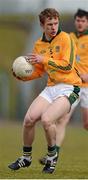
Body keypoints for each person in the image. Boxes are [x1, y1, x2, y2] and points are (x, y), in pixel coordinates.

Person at [8, 8, 82, 174]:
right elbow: (40, 71)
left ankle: (52, 156)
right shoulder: (38, 45)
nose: (53, 27)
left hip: (69, 87)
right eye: (49, 24)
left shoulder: (66, 38)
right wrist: (22, 76)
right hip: (51, 87)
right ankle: (26, 158)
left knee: (47, 120)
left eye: (56, 23)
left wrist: (44, 59)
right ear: (42, 25)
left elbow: (68, 65)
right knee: (29, 119)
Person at [39, 8, 88, 166]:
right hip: (73, 85)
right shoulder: (68, 38)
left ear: (87, 23)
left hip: (87, 86)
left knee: (86, 124)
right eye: (78, 20)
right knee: (62, 119)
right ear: (75, 21)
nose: (80, 23)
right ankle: (54, 156)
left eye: (83, 21)